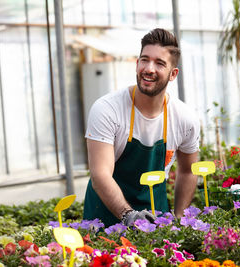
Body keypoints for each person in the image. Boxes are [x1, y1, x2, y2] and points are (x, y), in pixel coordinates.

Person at [83, 28, 200, 228]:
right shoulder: (107, 109)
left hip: (157, 219)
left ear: (173, 74)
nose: (149, 68)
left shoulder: (184, 118)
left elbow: (188, 171)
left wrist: (180, 219)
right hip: (105, 220)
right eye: (144, 60)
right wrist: (128, 215)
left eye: (159, 63)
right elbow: (100, 175)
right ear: (137, 64)